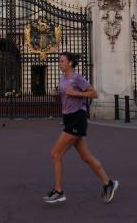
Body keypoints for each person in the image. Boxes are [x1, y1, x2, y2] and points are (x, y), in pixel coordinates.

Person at [42, 52, 118, 204]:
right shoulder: (62, 79)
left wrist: (75, 92)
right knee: (86, 157)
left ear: (70, 63)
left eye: (62, 61)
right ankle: (108, 182)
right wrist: (56, 95)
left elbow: (94, 93)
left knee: (55, 154)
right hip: (68, 118)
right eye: (59, 61)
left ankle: (59, 191)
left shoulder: (77, 78)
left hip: (77, 118)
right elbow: (65, 98)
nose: (60, 63)